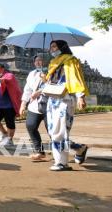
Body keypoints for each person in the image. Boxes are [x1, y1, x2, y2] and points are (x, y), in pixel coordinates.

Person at [45, 40, 88, 171]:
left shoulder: (70, 60)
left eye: (54, 46)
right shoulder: (53, 63)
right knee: (53, 131)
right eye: (51, 47)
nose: (51, 49)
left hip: (65, 98)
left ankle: (61, 162)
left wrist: (81, 96)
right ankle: (79, 148)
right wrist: (46, 77)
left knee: (61, 131)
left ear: (62, 47)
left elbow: (76, 78)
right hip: (52, 99)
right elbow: (52, 81)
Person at [20, 55, 49, 161]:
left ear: (45, 61)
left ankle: (66, 149)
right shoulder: (32, 74)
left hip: (49, 105)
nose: (38, 62)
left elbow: (56, 85)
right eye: (36, 60)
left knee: (52, 130)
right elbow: (27, 89)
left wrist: (41, 90)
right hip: (34, 105)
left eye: (41, 60)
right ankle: (39, 151)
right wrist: (23, 104)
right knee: (31, 126)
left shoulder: (52, 71)